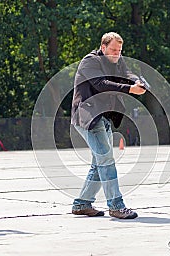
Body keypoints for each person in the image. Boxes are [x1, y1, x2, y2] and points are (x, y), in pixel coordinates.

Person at [70, 32, 146, 219]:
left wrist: (137, 81)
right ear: (103, 48)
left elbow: (126, 73)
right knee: (106, 161)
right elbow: (101, 84)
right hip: (88, 117)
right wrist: (130, 89)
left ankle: (82, 204)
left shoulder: (117, 61)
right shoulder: (90, 61)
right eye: (113, 50)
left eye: (119, 50)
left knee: (99, 163)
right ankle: (116, 206)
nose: (116, 54)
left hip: (103, 117)